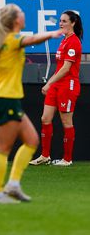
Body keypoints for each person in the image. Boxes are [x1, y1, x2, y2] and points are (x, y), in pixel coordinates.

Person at [0, 4, 62, 204]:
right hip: (5, 99)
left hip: (7, 98)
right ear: (15, 20)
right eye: (21, 12)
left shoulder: (7, 40)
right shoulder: (12, 39)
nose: (23, 14)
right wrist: (52, 33)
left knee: (31, 141)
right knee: (3, 148)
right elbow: (31, 39)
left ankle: (12, 185)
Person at [30, 11, 83, 167]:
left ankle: (67, 159)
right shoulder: (64, 41)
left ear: (73, 23)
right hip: (57, 84)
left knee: (66, 122)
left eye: (64, 21)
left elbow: (66, 68)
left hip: (68, 85)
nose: (60, 23)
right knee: (45, 118)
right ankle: (45, 156)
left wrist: (49, 83)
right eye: (59, 21)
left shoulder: (74, 42)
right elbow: (60, 66)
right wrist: (52, 84)